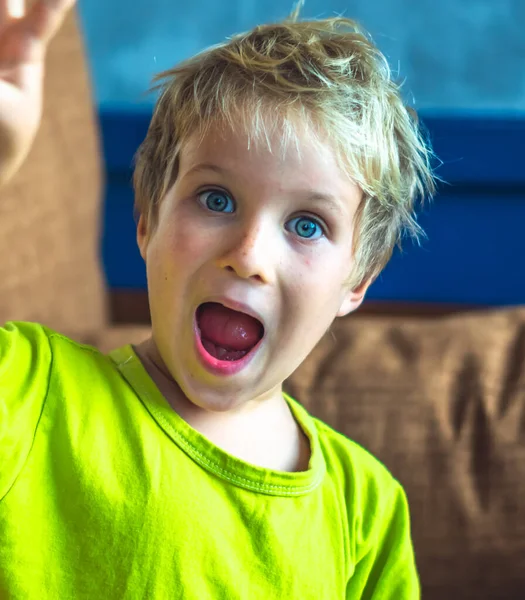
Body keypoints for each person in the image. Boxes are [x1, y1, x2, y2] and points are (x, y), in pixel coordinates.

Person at [0, 0, 435, 597]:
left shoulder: (367, 511)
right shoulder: (27, 391)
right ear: (147, 219)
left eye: (307, 225)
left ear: (358, 280)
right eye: (216, 200)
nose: (249, 255)